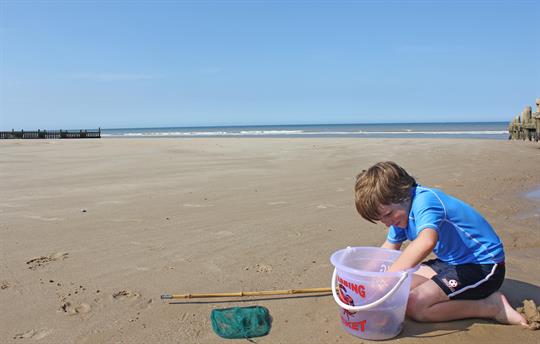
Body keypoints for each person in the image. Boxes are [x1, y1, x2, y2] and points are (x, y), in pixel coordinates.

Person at [354, 161, 527, 326]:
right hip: (451, 262)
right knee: (402, 284)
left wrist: (386, 280)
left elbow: (426, 241)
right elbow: (388, 250)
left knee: (414, 305)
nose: (387, 222)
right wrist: (364, 280)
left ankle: (491, 307)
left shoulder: (425, 201)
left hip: (484, 266)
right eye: (380, 218)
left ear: (403, 194)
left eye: (388, 214)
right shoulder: (400, 214)